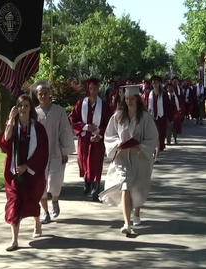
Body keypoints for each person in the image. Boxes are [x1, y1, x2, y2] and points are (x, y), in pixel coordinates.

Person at [100, 84, 159, 235]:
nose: (129, 102)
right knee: (125, 186)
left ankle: (137, 212)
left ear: (138, 100)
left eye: (132, 99)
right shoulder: (118, 116)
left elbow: (152, 138)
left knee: (138, 188)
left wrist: (139, 147)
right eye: (126, 99)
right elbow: (109, 135)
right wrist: (117, 143)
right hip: (122, 158)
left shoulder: (145, 118)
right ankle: (127, 224)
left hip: (140, 158)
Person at [0, 94, 49, 251]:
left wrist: (28, 166)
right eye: (20, 106)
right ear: (16, 108)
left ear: (30, 108)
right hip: (14, 172)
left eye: (26, 106)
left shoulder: (37, 128)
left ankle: (37, 222)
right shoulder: (12, 124)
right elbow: (5, 142)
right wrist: (10, 120)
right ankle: (14, 240)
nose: (23, 109)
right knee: (15, 201)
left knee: (31, 199)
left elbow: (42, 151)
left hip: (31, 172)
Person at [30, 80, 75, 224]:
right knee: (41, 185)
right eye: (40, 94)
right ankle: (45, 212)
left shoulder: (59, 111)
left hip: (56, 151)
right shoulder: (35, 113)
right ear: (37, 96)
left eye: (45, 93)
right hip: (39, 155)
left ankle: (55, 199)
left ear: (50, 94)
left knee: (54, 182)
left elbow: (65, 131)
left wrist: (65, 151)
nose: (43, 96)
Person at [69, 77, 111, 201]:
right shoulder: (81, 103)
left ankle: (95, 188)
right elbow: (73, 119)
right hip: (84, 138)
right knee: (83, 162)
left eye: (95, 88)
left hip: (97, 139)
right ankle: (87, 182)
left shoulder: (103, 105)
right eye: (90, 88)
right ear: (88, 89)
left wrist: (100, 135)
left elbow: (108, 123)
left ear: (98, 89)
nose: (92, 91)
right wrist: (85, 127)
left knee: (96, 163)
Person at [147, 75, 172, 163]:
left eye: (156, 82)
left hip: (161, 119)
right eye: (153, 82)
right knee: (152, 137)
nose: (155, 83)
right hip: (152, 118)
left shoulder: (164, 94)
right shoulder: (149, 94)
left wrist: (169, 118)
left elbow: (168, 107)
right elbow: (146, 106)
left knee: (159, 137)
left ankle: (156, 156)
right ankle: (153, 153)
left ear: (160, 83)